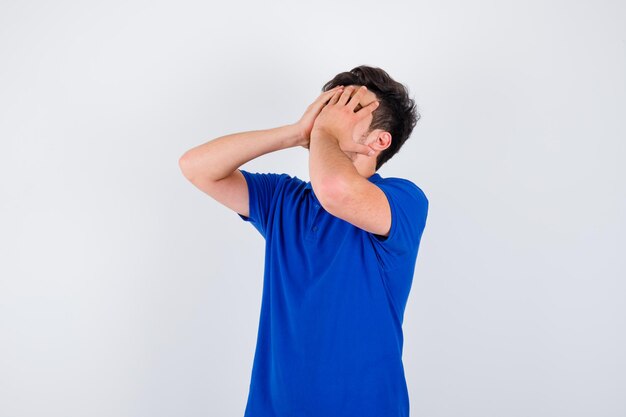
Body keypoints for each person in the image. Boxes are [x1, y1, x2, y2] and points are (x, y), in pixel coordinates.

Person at [179, 65, 429, 417]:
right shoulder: (285, 199)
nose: (331, 114)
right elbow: (196, 167)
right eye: (331, 103)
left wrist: (326, 132)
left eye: (349, 108)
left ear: (379, 141)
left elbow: (336, 191)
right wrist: (295, 133)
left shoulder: (403, 199)